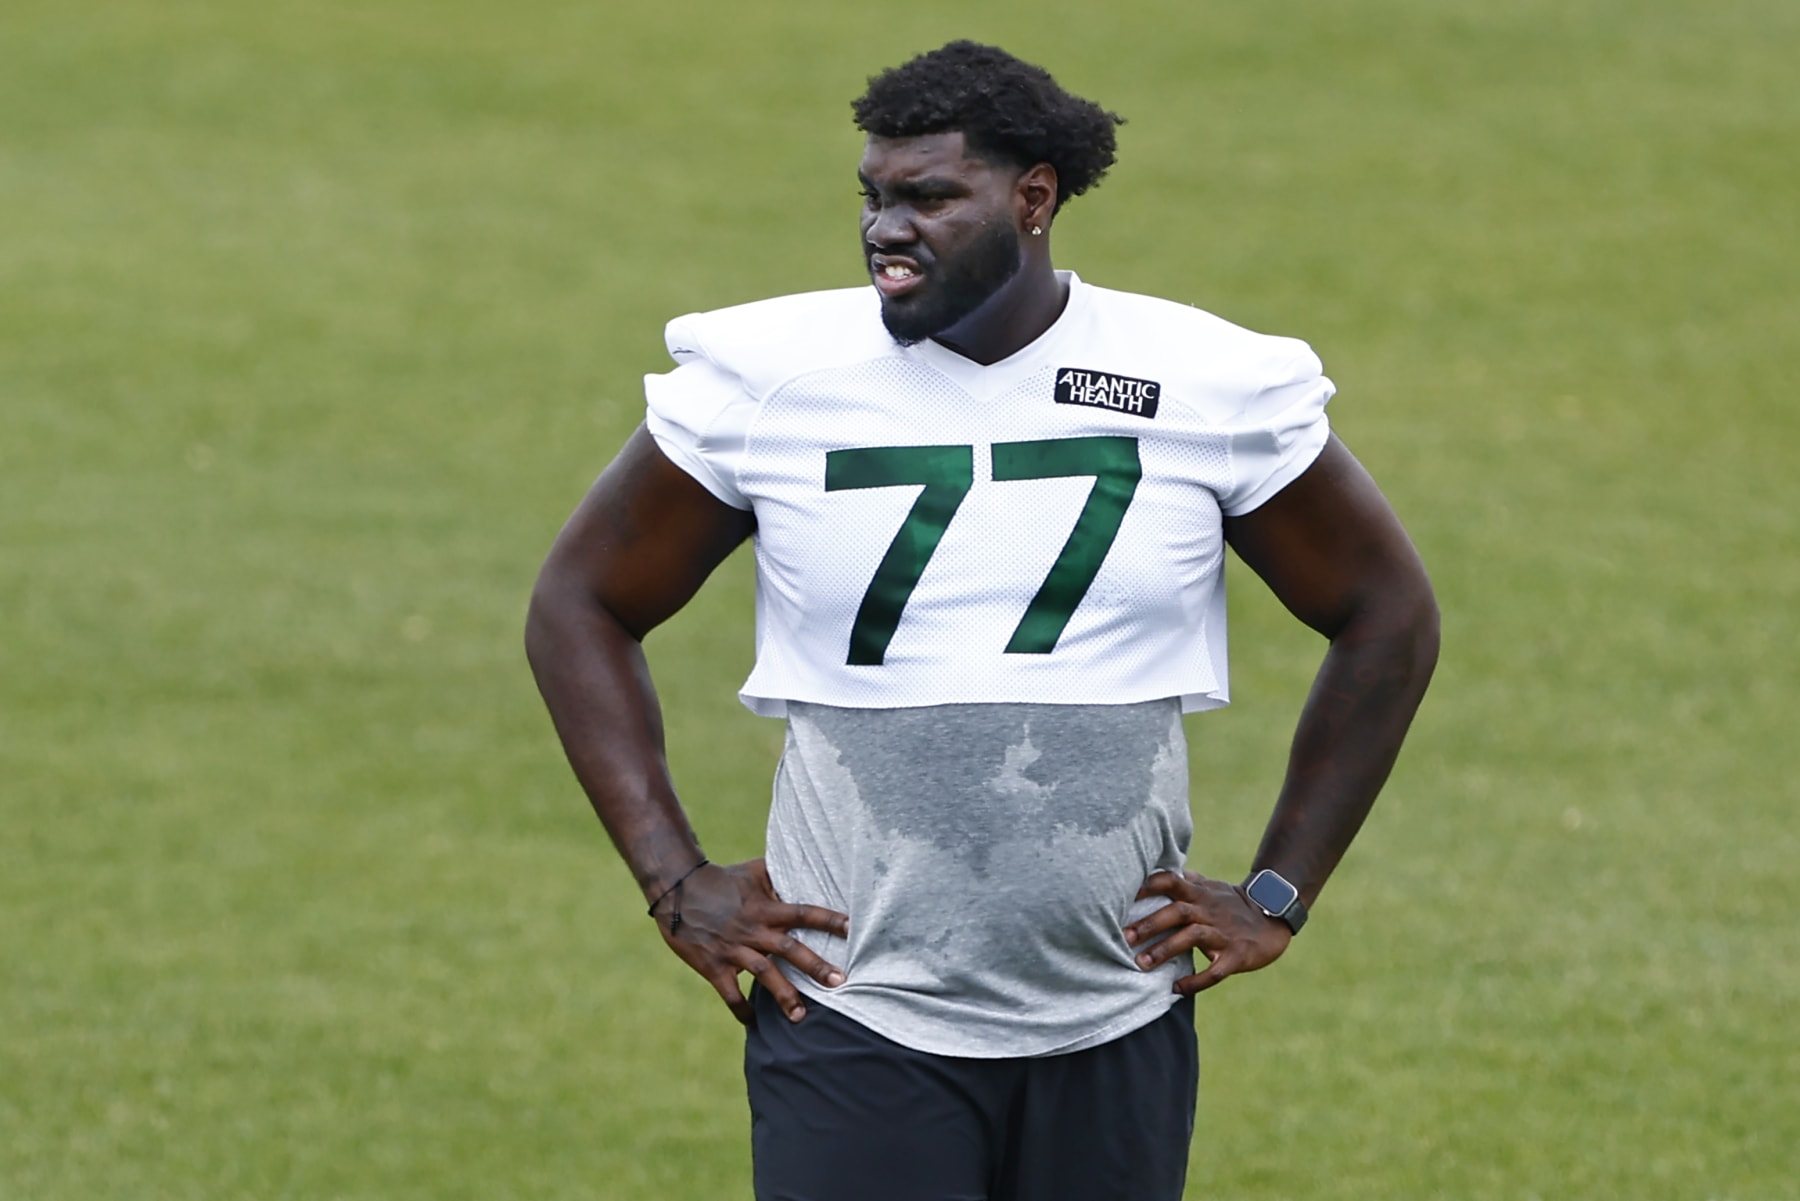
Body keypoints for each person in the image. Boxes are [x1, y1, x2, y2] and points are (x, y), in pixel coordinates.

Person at [526, 40, 1438, 1201]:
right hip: (853, 1012)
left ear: (1035, 198)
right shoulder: (770, 381)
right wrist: (672, 877)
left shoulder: (1203, 381)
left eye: (927, 198)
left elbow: (1386, 612)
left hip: (1111, 1017)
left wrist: (1278, 889)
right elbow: (581, 600)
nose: (883, 230)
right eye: (871, 197)